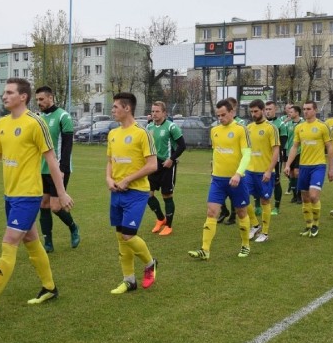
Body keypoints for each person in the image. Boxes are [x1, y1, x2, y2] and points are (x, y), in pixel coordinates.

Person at [0, 78, 73, 316]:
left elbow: (52, 159)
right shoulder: (2, 123)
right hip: (10, 194)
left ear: (23, 97)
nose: (4, 96)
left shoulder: (36, 123)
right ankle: (50, 287)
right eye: (4, 92)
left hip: (28, 194)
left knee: (9, 241)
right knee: (31, 240)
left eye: (10, 92)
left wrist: (61, 193)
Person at [106, 93, 158, 293]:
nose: (113, 110)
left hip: (136, 192)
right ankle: (129, 280)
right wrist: (109, 179)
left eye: (115, 107)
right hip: (117, 192)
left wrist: (128, 179)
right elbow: (110, 162)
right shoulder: (112, 134)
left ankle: (149, 263)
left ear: (127, 108)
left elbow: (152, 165)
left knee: (128, 235)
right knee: (121, 237)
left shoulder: (142, 133)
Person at [188, 98, 252, 260]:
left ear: (232, 112)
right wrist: (212, 172)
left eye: (223, 115)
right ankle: (205, 250)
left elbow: (247, 154)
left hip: (237, 180)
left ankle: (245, 245)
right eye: (218, 115)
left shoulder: (240, 130)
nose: (221, 118)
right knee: (211, 212)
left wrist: (238, 173)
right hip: (218, 180)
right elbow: (217, 153)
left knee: (241, 213)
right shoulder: (214, 130)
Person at [35, 86, 80, 253]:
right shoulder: (38, 118)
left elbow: (67, 145)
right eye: (37, 100)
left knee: (55, 206)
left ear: (50, 97)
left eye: (41, 99)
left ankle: (74, 227)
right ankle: (48, 243)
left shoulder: (63, 116)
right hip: (40, 169)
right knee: (43, 204)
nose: (39, 102)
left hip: (58, 168)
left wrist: (63, 168)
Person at [283, 101, 333, 238]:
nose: (305, 111)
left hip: (318, 166)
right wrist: (288, 164)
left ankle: (316, 224)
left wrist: (332, 169)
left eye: (308, 109)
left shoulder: (322, 127)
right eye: (304, 109)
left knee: (313, 196)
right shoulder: (299, 127)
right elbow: (294, 147)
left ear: (315, 110)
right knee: (305, 198)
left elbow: (329, 147)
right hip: (303, 166)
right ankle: (308, 225)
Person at [146, 101, 186, 236]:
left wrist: (171, 159)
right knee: (147, 194)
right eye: (153, 111)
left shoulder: (171, 127)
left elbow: (182, 146)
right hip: (153, 166)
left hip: (167, 166)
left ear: (164, 113)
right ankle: (160, 219)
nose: (154, 114)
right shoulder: (149, 127)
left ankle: (168, 225)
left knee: (166, 195)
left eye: (157, 111)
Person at [244, 100, 280, 243]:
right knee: (243, 198)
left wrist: (269, 170)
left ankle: (264, 233)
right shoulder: (248, 127)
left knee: (265, 200)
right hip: (249, 171)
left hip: (264, 172)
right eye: (251, 112)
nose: (253, 114)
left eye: (256, 111)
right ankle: (255, 225)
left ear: (263, 110)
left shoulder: (271, 128)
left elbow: (276, 151)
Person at [219, 96, 246, 225]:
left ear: (233, 109)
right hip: (221, 167)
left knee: (234, 192)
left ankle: (234, 214)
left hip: (237, 165)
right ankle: (224, 210)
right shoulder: (218, 126)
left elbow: (246, 148)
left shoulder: (241, 125)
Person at [264, 100, 286, 215]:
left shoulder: (280, 124)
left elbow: (283, 142)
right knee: (259, 179)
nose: (267, 112)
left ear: (275, 110)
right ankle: (258, 206)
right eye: (266, 109)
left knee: (276, 181)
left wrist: (277, 154)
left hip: (275, 158)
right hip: (261, 158)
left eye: (270, 109)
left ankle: (276, 207)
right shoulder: (261, 124)